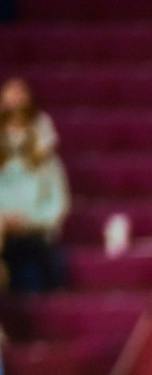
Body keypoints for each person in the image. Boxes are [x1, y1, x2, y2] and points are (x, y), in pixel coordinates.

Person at [0, 77, 68, 294]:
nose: (15, 137)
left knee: (34, 273)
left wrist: (30, 222)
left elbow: (58, 205)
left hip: (34, 234)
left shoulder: (48, 164)